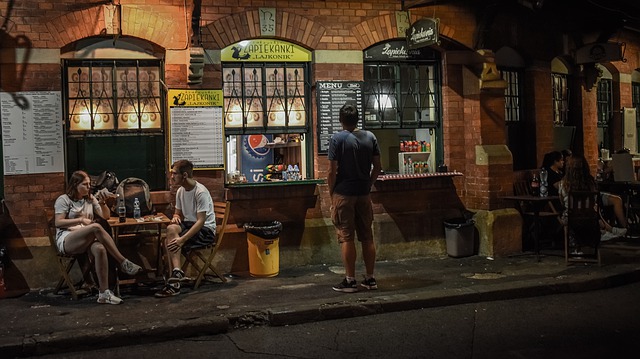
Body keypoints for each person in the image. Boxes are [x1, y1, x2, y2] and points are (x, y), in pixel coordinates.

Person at [54, 170, 142, 305]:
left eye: (89, 184)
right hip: (68, 239)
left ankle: (104, 293)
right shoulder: (64, 199)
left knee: (100, 248)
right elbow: (58, 222)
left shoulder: (90, 199)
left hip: (86, 238)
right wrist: (81, 220)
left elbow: (105, 216)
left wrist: (102, 202)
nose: (88, 187)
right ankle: (123, 261)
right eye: (85, 184)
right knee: (95, 227)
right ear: (75, 184)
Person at [327, 104, 382, 293]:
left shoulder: (337, 139)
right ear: (357, 119)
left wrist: (332, 191)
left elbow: (331, 171)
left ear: (341, 119)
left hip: (344, 193)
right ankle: (370, 278)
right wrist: (368, 184)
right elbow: (378, 167)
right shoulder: (370, 137)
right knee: (367, 236)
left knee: (346, 236)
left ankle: (350, 280)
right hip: (363, 193)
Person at [155, 160, 217, 298]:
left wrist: (182, 240)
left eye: (174, 174)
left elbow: (201, 221)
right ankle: (177, 271)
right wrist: (176, 216)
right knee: (171, 229)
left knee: (168, 243)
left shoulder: (200, 192)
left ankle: (173, 285)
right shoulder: (181, 191)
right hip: (190, 224)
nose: (171, 177)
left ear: (184, 175)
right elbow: (178, 212)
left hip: (205, 231)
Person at [558, 155, 626, 253]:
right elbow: (594, 200)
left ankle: (605, 230)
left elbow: (562, 202)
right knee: (595, 209)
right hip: (590, 218)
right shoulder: (590, 183)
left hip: (570, 218)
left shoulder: (563, 184)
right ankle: (608, 230)